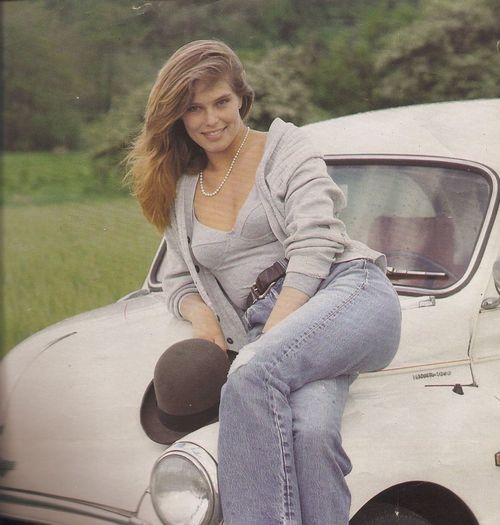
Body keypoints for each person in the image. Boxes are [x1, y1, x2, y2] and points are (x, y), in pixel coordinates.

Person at [128, 39, 401, 525]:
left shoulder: (284, 147)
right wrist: (205, 319)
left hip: (345, 291)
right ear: (177, 117)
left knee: (250, 376)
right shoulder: (180, 186)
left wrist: (267, 340)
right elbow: (178, 280)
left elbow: (316, 240)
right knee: (312, 433)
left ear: (242, 100)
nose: (211, 119)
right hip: (275, 332)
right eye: (195, 108)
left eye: (221, 103)